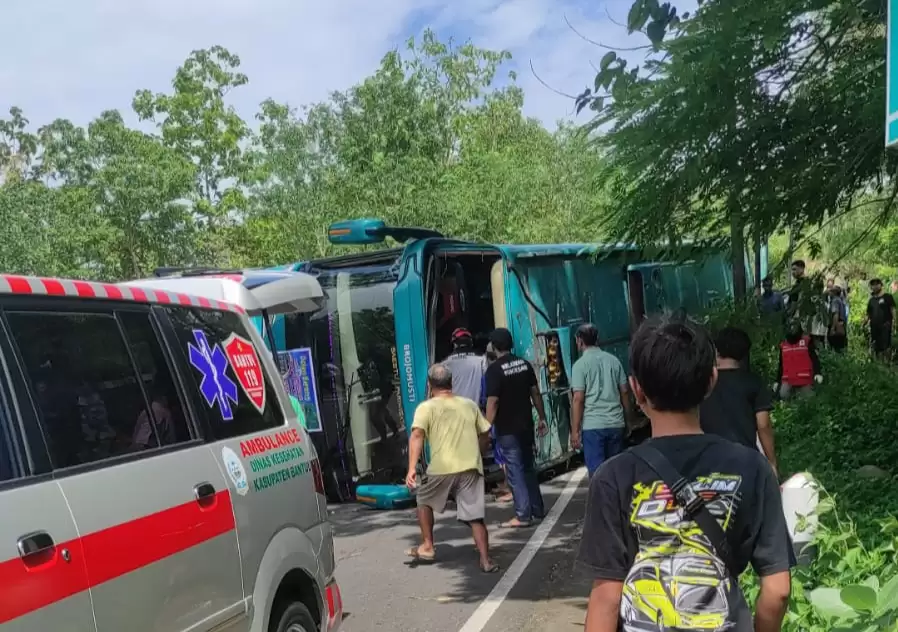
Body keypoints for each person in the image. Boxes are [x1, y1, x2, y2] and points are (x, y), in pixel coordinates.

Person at [578, 315, 793, 632]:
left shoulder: (613, 476)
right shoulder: (753, 468)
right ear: (711, 381)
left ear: (636, 389)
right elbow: (778, 590)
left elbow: (606, 598)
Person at [404, 364, 499, 573]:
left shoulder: (425, 408)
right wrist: (479, 454)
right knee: (475, 518)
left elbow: (417, 436)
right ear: (451, 383)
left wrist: (411, 468)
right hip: (470, 467)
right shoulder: (469, 405)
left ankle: (428, 545)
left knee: (423, 499)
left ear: (430, 385)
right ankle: (485, 560)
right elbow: (486, 433)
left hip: (441, 468)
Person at [484, 327, 548, 528]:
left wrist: (486, 428)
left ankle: (522, 514)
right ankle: (537, 509)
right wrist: (542, 417)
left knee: (515, 470)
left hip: (507, 429)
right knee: (528, 467)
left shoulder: (494, 370)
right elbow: (535, 393)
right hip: (526, 425)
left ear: (494, 346)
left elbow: (493, 402)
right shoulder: (524, 364)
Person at [700, 327, 778, 475]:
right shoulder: (753, 382)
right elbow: (763, 425)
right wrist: (772, 462)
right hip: (745, 460)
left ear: (716, 350)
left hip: (709, 461)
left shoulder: (703, 383)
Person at [569, 323, 632, 476]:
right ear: (597, 339)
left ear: (580, 341)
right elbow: (625, 392)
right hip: (616, 424)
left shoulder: (579, 366)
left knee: (598, 476)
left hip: (593, 428)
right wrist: (628, 420)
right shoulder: (614, 361)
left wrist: (575, 431)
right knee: (616, 473)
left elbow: (578, 399)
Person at [775, 322, 822, 400]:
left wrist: (818, 373)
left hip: (805, 380)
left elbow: (814, 359)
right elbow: (781, 364)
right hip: (788, 380)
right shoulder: (783, 344)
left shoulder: (807, 341)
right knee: (783, 395)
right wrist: (777, 381)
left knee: (808, 400)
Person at [442, 328, 487, 406]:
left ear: (454, 344)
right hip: (475, 408)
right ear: (471, 342)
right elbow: (486, 382)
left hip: (454, 408)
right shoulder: (481, 358)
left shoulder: (445, 363)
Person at [865, 278, 896, 360]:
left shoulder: (887, 297)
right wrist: (864, 322)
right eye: (873, 285)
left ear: (881, 285)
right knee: (876, 347)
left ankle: (887, 363)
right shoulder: (871, 300)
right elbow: (868, 314)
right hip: (874, 327)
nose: (875, 286)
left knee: (886, 346)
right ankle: (878, 364)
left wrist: (895, 322)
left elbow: (892, 309)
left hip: (885, 325)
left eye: (877, 284)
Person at [827, 285, 848, 353]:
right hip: (842, 327)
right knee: (840, 348)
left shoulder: (835, 301)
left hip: (836, 327)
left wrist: (833, 328)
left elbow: (836, 314)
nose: (829, 293)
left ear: (834, 293)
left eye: (831, 291)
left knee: (835, 348)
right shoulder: (840, 301)